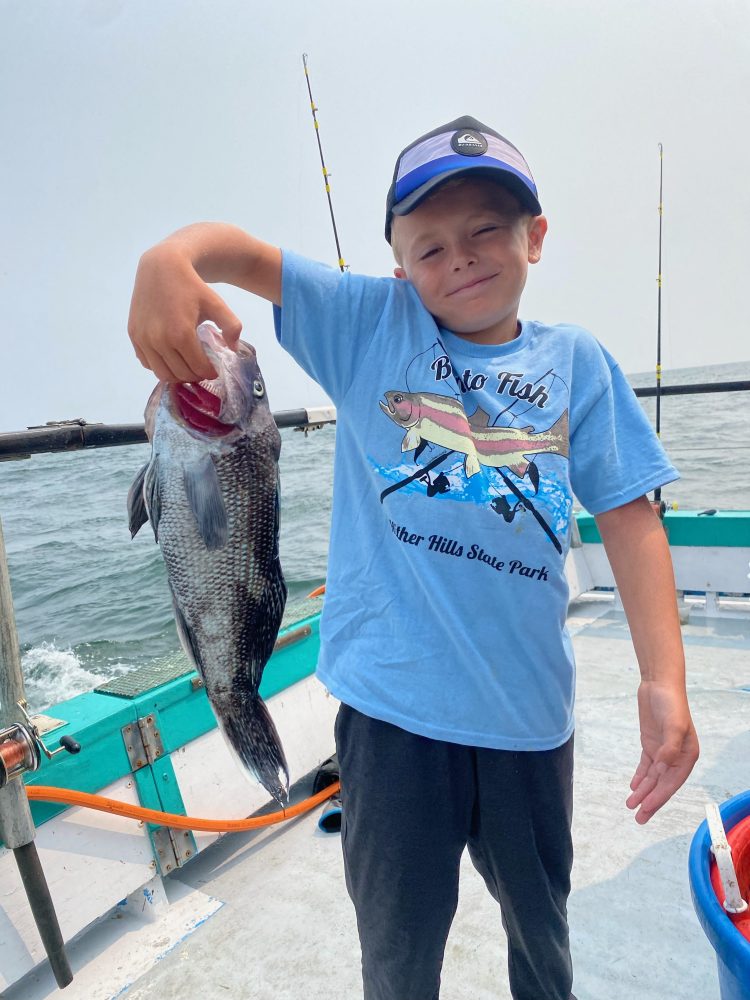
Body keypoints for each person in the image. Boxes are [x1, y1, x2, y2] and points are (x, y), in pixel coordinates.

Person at [127, 115, 699, 1000]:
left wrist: (665, 677)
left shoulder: (576, 360)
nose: (459, 258)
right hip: (391, 722)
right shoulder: (369, 325)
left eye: (484, 231)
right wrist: (168, 258)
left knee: (542, 938)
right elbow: (233, 255)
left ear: (535, 238)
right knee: (397, 960)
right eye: (428, 246)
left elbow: (628, 515)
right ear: (396, 265)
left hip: (527, 721)